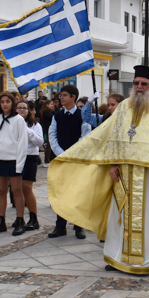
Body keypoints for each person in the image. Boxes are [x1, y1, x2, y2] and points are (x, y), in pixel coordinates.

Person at [47, 65, 149, 275]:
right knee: (118, 216)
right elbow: (112, 137)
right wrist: (112, 163)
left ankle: (143, 262)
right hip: (123, 174)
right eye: (136, 83)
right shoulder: (123, 107)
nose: (139, 87)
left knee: (146, 218)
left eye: (143, 84)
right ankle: (116, 257)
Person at [47, 85, 91, 239]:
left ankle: (78, 226)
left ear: (73, 97)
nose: (61, 98)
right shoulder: (57, 116)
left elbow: (85, 137)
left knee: (76, 193)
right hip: (60, 159)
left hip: (76, 160)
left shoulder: (82, 116)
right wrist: (60, 153)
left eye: (64, 95)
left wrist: (72, 153)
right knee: (60, 193)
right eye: (61, 95)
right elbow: (52, 135)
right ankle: (60, 225)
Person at [0, 92, 28, 235]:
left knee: (16, 190)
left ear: (13, 103)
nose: (5, 104)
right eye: (2, 102)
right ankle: (1, 220)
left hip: (14, 160)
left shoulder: (19, 120)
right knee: (1, 191)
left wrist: (19, 164)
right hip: (0, 160)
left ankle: (20, 220)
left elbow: (23, 143)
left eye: (8, 101)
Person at [17, 100, 43, 231]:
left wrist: (26, 130)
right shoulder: (12, 123)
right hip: (15, 157)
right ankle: (19, 217)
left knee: (26, 187)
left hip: (30, 156)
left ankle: (33, 218)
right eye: (19, 108)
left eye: (24, 108)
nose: (22, 110)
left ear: (28, 111)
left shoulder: (35, 125)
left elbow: (40, 141)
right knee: (16, 189)